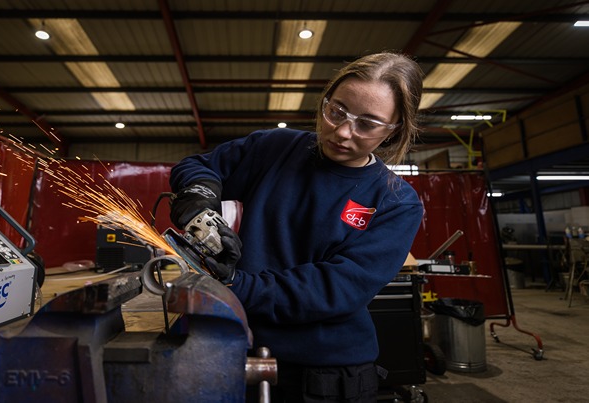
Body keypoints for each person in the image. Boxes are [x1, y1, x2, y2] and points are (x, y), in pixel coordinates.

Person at [169, 52, 425, 402]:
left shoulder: (396, 201)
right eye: (337, 111)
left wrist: (234, 283)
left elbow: (334, 289)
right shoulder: (274, 148)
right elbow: (198, 166)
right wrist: (199, 195)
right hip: (227, 348)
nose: (342, 131)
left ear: (393, 130)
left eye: (367, 124)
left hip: (322, 374)